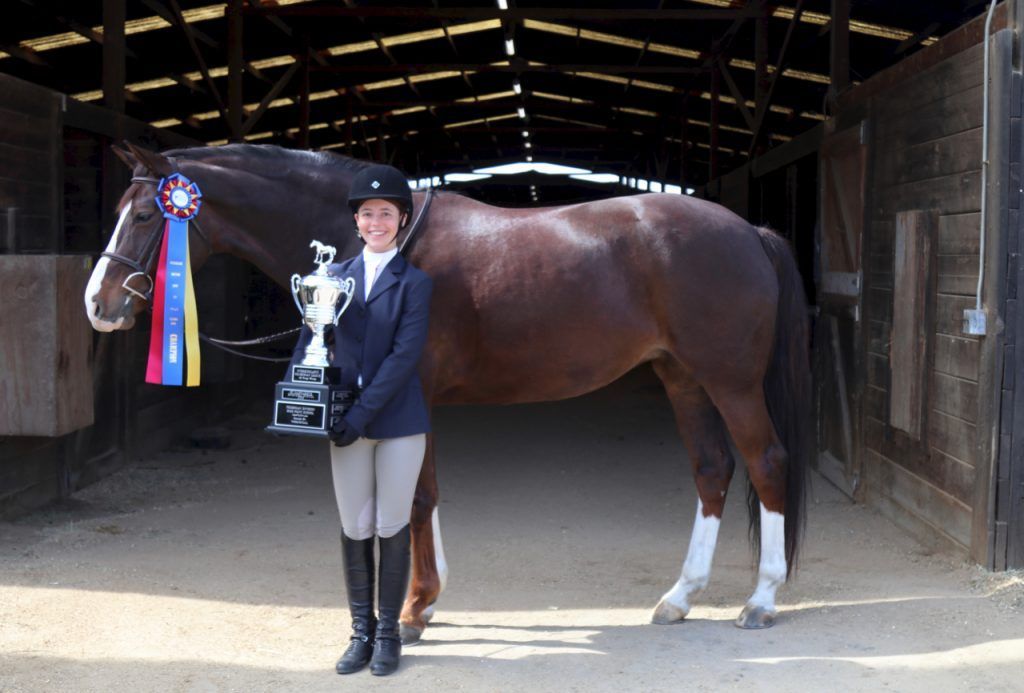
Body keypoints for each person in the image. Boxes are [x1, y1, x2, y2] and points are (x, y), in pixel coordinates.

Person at [291, 164, 432, 676]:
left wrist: (359, 415)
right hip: (344, 421)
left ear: (402, 220)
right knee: (355, 526)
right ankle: (360, 632)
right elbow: (312, 345)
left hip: (396, 422)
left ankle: (390, 632)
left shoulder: (415, 283)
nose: (376, 221)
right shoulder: (330, 280)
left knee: (392, 524)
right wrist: (304, 405)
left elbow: (403, 357)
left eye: (386, 213)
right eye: (367, 213)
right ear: (356, 222)